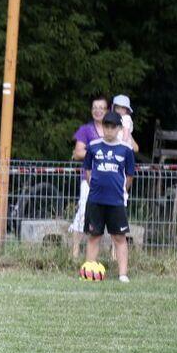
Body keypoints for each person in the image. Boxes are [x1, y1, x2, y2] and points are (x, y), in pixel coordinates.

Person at [82, 111, 136, 282]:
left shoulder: (126, 149)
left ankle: (123, 275)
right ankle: (89, 272)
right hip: (95, 200)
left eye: (113, 126)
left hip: (116, 202)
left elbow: (129, 175)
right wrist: (94, 185)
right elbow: (87, 169)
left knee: (119, 237)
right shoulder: (93, 146)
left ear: (119, 128)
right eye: (106, 126)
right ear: (102, 127)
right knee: (94, 236)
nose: (109, 130)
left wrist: (122, 190)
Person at [68, 96, 111, 256]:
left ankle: (111, 254)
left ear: (107, 110)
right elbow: (78, 152)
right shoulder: (86, 130)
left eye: (101, 108)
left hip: (110, 178)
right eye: (94, 108)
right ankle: (75, 251)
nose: (97, 111)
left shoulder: (113, 128)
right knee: (83, 210)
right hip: (89, 178)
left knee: (112, 212)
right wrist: (100, 153)